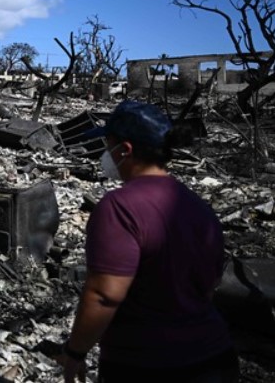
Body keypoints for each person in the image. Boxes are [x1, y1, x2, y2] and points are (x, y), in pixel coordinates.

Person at [60, 100, 236, 383]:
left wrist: (75, 352)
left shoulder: (119, 207)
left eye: (108, 145)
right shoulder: (198, 207)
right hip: (215, 357)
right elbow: (209, 285)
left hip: (148, 364)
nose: (106, 154)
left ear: (125, 150)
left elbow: (104, 295)